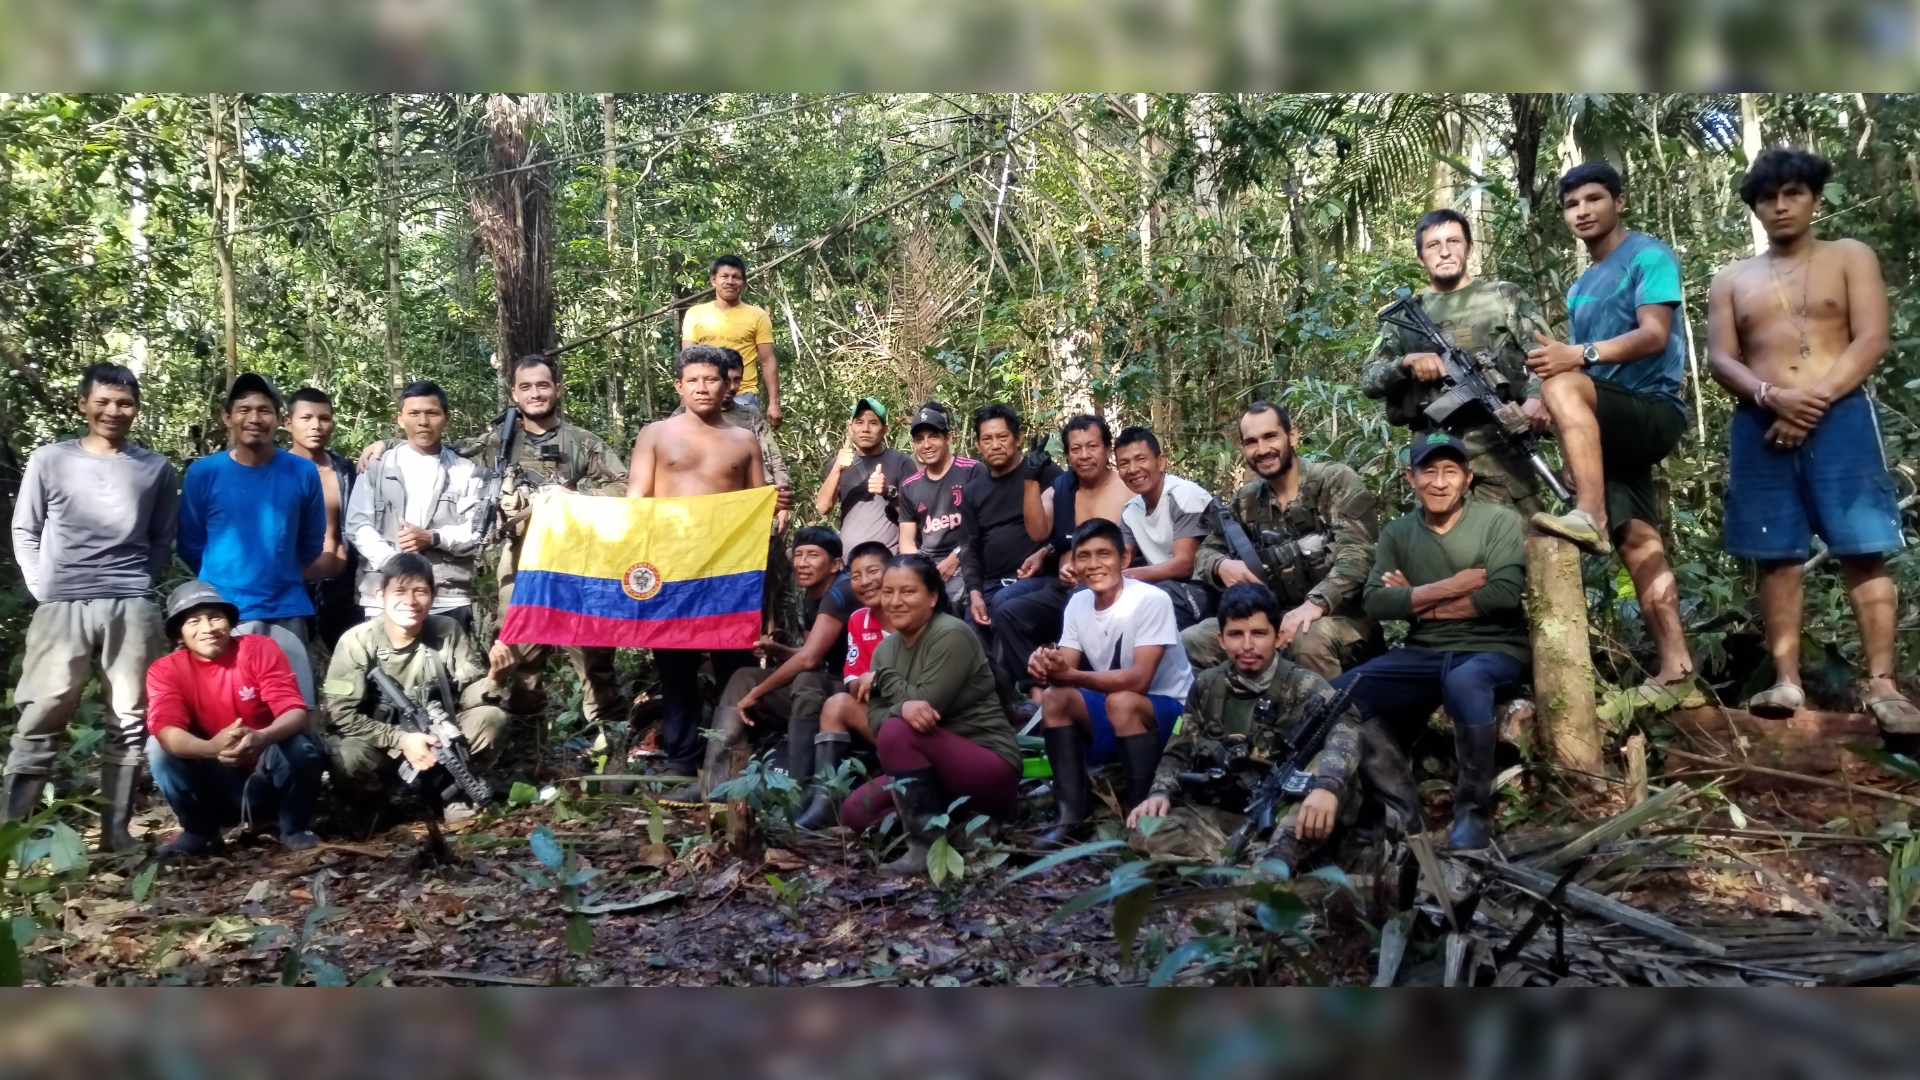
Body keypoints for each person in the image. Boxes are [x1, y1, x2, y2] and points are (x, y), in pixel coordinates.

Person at [1706, 148, 1915, 730]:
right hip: (1760, 421)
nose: (1780, 206)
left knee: (1862, 548)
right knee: (1776, 557)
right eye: (1768, 198)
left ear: (1813, 198)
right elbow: (1721, 357)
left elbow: (1870, 338)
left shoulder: (1850, 256)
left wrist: (1809, 405)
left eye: (1793, 193)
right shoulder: (1731, 279)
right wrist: (1773, 398)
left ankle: (1882, 684)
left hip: (1842, 414)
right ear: (1755, 207)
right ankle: (1786, 682)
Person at [363, 356, 629, 729]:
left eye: (542, 385)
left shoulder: (583, 442)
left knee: (592, 647)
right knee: (518, 647)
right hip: (521, 555)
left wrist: (569, 493)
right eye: (526, 387)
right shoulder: (497, 443)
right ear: (514, 393)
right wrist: (385, 444)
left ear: (557, 389)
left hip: (579, 559)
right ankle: (527, 738)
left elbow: (625, 485)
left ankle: (606, 734)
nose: (535, 394)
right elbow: (438, 445)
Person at [1525, 162, 1698, 706]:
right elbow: (1583, 379)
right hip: (1608, 423)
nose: (1583, 212)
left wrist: (1575, 359)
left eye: (1594, 199)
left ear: (1618, 201)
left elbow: (1653, 335)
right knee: (1640, 542)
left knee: (1565, 380)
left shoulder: (1649, 256)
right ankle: (1678, 669)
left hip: (1654, 409)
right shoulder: (1580, 289)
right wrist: (1542, 401)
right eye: (1572, 205)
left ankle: (1590, 513)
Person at [1127, 584, 1415, 877]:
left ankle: (1271, 863)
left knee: (1321, 770)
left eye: (1259, 634)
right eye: (1236, 635)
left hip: (1293, 812)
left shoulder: (1302, 684)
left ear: (1278, 638)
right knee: (1145, 832)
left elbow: (1347, 728)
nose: (1247, 645)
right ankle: (1250, 864)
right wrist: (1159, 793)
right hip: (1233, 816)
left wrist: (1327, 786)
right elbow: (1179, 749)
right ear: (1221, 640)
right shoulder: (1206, 687)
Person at [4, 364, 177, 851]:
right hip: (62, 605)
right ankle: (10, 834)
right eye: (103, 401)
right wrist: (44, 587)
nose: (113, 411)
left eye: (124, 403)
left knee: (128, 718)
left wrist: (141, 583)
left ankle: (115, 833)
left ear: (136, 409)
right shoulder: (50, 459)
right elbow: (26, 529)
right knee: (42, 713)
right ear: (82, 404)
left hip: (130, 604)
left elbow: (162, 537)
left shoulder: (154, 468)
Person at [1332, 433, 1530, 851]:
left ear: (1467, 478)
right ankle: (1404, 812)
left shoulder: (1497, 521)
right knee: (1342, 692)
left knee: (1466, 682)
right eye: (1429, 471)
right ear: (1411, 477)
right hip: (1424, 653)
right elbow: (1375, 600)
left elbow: (1501, 595)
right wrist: (1452, 586)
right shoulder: (1399, 534)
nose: (1439, 482)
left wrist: (1416, 600)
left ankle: (1472, 812)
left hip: (1493, 650)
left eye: (1450, 471)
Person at [627, 345, 770, 779]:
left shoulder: (744, 439)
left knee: (733, 667)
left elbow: (756, 509)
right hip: (671, 570)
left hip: (728, 572)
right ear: (679, 386)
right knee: (675, 667)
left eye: (711, 379)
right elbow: (637, 500)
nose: (703, 388)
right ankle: (683, 759)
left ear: (727, 385)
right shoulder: (655, 434)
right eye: (694, 380)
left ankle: (729, 759)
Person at [1361, 208, 1556, 515]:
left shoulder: (1504, 296)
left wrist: (1535, 399)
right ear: (1420, 257)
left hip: (1503, 440)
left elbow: (1548, 355)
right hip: (1435, 450)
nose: (1445, 252)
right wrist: (1406, 363)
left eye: (1453, 241)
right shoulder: (1404, 316)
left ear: (1469, 247)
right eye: (1433, 245)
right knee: (1440, 554)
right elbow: (1369, 378)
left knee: (1523, 546)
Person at [836, 556, 1021, 877]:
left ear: (932, 597)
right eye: (888, 592)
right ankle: (958, 832)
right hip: (933, 774)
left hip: (987, 766)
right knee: (856, 811)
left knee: (898, 730)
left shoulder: (951, 634)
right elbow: (877, 721)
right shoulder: (886, 649)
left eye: (907, 592)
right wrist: (901, 705)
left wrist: (883, 681)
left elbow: (925, 710)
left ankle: (925, 849)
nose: (895, 601)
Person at [1027, 518, 1194, 850]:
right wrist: (1044, 664)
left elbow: (1140, 679)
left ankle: (1139, 810)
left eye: (1104, 554)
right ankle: (1070, 817)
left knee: (1122, 701)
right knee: (1054, 699)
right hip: (1119, 707)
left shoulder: (1150, 600)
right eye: (1084, 555)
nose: (1093, 564)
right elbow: (1066, 669)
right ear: (1073, 563)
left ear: (1124, 559)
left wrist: (1070, 676)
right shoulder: (1077, 602)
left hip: (1174, 715)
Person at [1185, 401, 1380, 680]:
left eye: (1270, 436)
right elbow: (1207, 550)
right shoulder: (1247, 500)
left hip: (1343, 617)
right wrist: (1220, 566)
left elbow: (1358, 555)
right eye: (1251, 442)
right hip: (1272, 618)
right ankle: (1219, 720)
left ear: (1293, 435)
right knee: (1192, 641)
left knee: (1306, 638)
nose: (1262, 450)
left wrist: (1314, 605)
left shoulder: (1334, 481)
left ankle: (1331, 721)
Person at [666, 526, 851, 802]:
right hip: (826, 681)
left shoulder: (841, 591)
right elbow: (811, 653)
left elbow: (809, 660)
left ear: (835, 564)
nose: (802, 563)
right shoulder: (813, 597)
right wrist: (778, 650)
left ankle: (795, 787)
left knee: (803, 680)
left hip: (849, 687)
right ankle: (716, 779)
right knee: (743, 677)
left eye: (813, 555)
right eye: (798, 554)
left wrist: (758, 694)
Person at [320, 553, 510, 822]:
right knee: (347, 753)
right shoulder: (356, 641)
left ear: (434, 595)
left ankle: (449, 792)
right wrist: (402, 740)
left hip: (436, 740)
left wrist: (494, 679)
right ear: (380, 594)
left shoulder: (446, 630)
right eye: (399, 591)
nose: (410, 601)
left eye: (420, 591)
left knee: (490, 719)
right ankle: (372, 805)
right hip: (379, 744)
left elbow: (469, 695)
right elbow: (339, 716)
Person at [178, 372, 327, 707]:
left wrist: (279, 570)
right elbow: (189, 542)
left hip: (285, 608)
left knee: (294, 709)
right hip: (222, 613)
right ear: (227, 417)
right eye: (244, 410)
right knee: (224, 710)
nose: (254, 419)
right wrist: (223, 581)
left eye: (264, 410)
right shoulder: (204, 473)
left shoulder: (301, 472)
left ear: (278, 419)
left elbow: (311, 542)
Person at [144, 580, 326, 856]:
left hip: (268, 776)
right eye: (194, 621)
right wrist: (210, 748)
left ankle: (294, 826)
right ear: (179, 635)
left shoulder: (258, 649)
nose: (208, 628)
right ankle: (200, 832)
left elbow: (294, 710)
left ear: (229, 622)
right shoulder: (165, 670)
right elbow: (167, 729)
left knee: (300, 746)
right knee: (159, 748)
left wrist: (262, 736)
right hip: (217, 783)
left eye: (216, 617)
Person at [345, 380, 485, 628]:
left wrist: (433, 537)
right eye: (414, 413)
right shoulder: (377, 466)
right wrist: (393, 562)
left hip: (446, 596)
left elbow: (475, 530)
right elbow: (358, 524)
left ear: (446, 418)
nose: (423, 421)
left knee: (447, 665)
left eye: (432, 413)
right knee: (385, 665)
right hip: (384, 595)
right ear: (400, 419)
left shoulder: (465, 470)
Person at [955, 404, 1054, 707]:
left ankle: (1028, 695)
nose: (995, 445)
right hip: (990, 581)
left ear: (1018, 438)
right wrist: (973, 592)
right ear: (977, 444)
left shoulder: (1042, 471)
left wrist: (1045, 551)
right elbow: (970, 546)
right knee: (966, 629)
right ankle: (983, 706)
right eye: (987, 439)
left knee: (1003, 606)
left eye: (1002, 437)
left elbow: (1066, 526)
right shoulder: (973, 491)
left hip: (1038, 578)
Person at [793, 540, 891, 829]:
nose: (864, 582)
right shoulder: (859, 619)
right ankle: (823, 799)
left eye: (873, 571)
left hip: (919, 719)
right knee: (837, 703)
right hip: (879, 716)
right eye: (857, 575)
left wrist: (882, 680)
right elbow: (853, 685)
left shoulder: (914, 613)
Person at [670, 346, 793, 532]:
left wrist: (782, 503)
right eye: (728, 380)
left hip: (753, 508)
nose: (733, 387)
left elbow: (775, 459)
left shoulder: (750, 417)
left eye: (738, 380)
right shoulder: (676, 422)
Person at [1114, 425, 1219, 629]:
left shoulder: (1184, 495)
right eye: (1124, 463)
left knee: (1152, 604)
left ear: (1161, 462)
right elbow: (1120, 559)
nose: (1133, 469)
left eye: (1141, 459)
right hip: (1163, 586)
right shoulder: (1130, 511)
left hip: (1203, 589)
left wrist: (1131, 576)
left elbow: (1184, 564)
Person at [286, 387, 360, 649]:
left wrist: (385, 443)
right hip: (292, 588)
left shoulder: (346, 470)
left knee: (352, 673)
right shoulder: (274, 472)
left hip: (344, 589)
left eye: (324, 418)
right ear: (288, 423)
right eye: (306, 418)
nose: (316, 426)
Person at [897, 402, 982, 608]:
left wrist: (956, 557)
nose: (926, 445)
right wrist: (922, 570)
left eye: (933, 436)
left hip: (967, 559)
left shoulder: (972, 471)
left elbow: (985, 526)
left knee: (950, 603)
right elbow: (907, 541)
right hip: (928, 565)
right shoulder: (909, 486)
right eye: (920, 439)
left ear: (948, 438)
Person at [681, 254, 781, 427]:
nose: (730, 281)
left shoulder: (757, 315)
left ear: (744, 283)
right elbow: (687, 360)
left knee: (745, 448)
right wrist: (684, 397)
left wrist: (774, 403)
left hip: (743, 396)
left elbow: (768, 360)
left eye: (736, 277)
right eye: (724, 276)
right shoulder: (695, 314)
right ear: (713, 280)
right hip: (704, 394)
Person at [813, 397, 914, 554]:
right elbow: (823, 507)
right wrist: (837, 469)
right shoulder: (838, 463)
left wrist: (889, 492)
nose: (865, 429)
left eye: (873, 423)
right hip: (848, 564)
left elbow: (916, 514)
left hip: (888, 563)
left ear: (885, 429)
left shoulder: (901, 462)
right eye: (859, 422)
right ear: (850, 427)